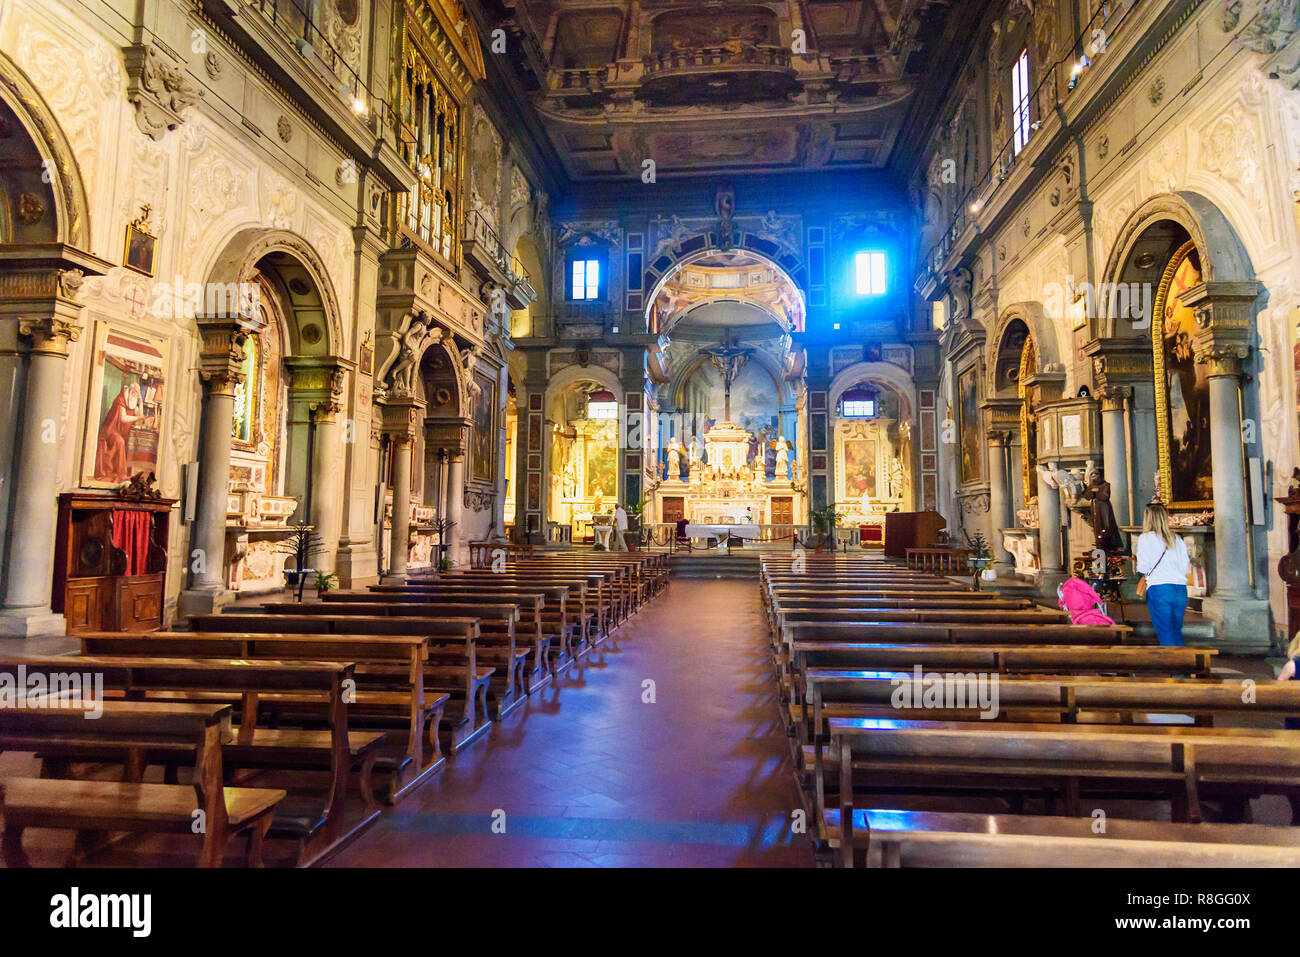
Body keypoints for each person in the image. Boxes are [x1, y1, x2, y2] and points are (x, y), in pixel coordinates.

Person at [1135, 502, 1190, 646]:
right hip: (1180, 588)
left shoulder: (1145, 538)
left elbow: (1143, 567)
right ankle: (1182, 665)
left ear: (1148, 519)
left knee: (1165, 631)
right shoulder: (1176, 539)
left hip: (1159, 588)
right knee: (1176, 630)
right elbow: (1185, 566)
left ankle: (1173, 666)